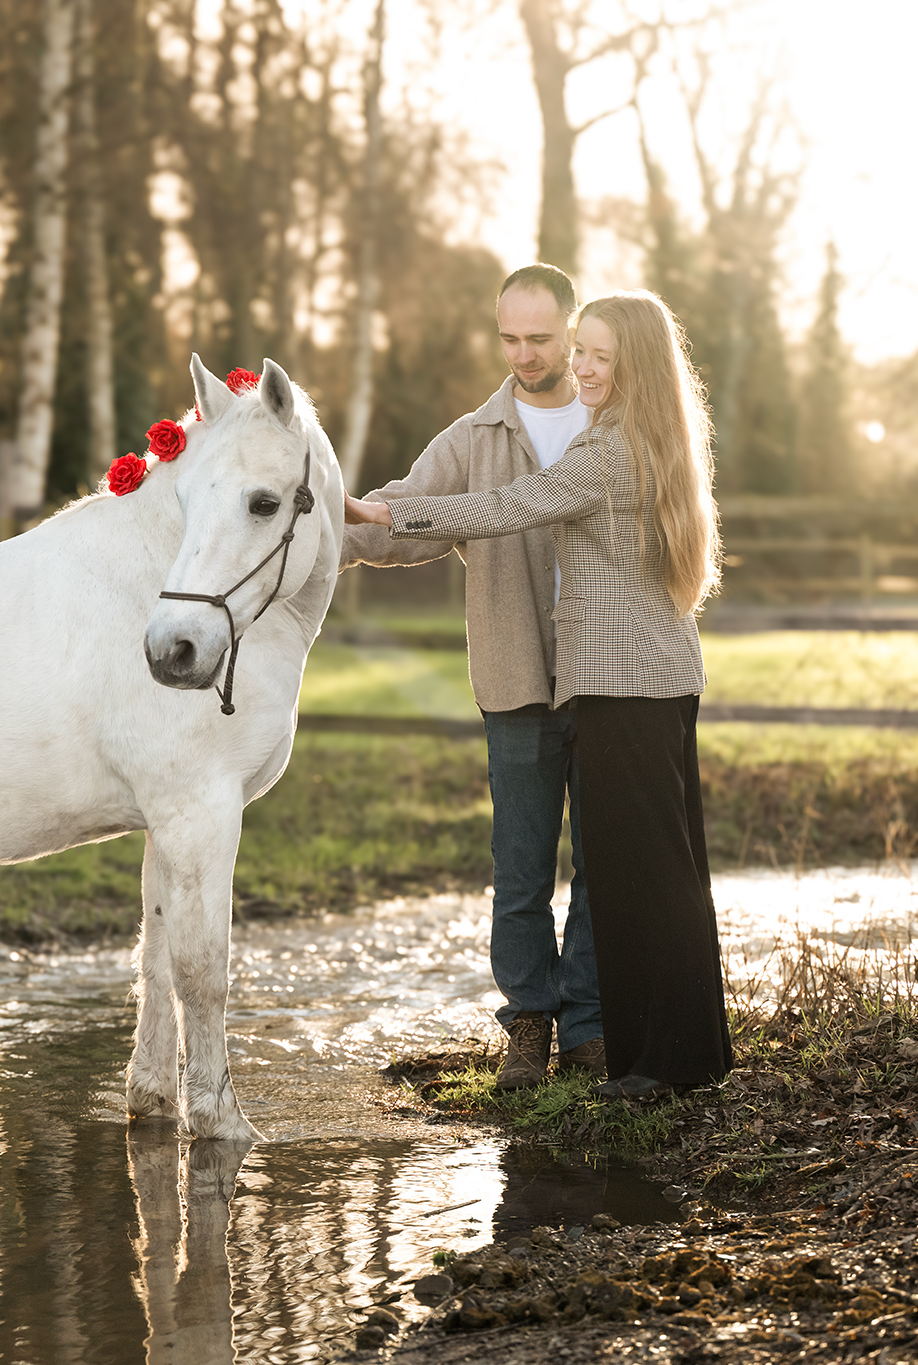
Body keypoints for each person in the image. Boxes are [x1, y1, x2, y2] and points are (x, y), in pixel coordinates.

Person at [345, 289, 735, 1097]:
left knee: (640, 878)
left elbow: (506, 505)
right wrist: (341, 533)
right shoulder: (646, 434)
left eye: (595, 354)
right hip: (650, 677)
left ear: (628, 362)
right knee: (662, 872)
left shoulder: (604, 451)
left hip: (622, 684)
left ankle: (655, 1057)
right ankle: (677, 1051)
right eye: (581, 353)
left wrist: (385, 508)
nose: (581, 366)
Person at [341, 263, 603, 1091]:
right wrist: (320, 527)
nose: (524, 355)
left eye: (540, 337)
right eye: (509, 338)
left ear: (572, 328)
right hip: (515, 674)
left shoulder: (615, 418)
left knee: (604, 861)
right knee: (520, 863)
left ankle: (592, 1025)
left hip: (608, 680)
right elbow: (403, 518)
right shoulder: (472, 438)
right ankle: (530, 1021)